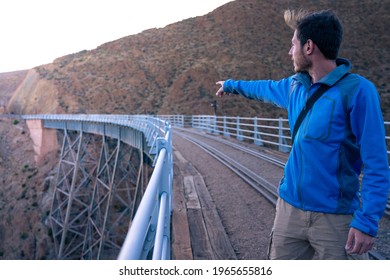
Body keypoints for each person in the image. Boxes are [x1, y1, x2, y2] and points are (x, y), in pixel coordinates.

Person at [215, 9, 390, 260]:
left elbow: (376, 162)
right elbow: (262, 88)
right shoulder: (295, 86)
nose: (290, 52)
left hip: (335, 218)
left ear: (309, 47)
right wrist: (231, 85)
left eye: (293, 44)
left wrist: (367, 221)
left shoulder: (357, 91)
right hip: (289, 210)